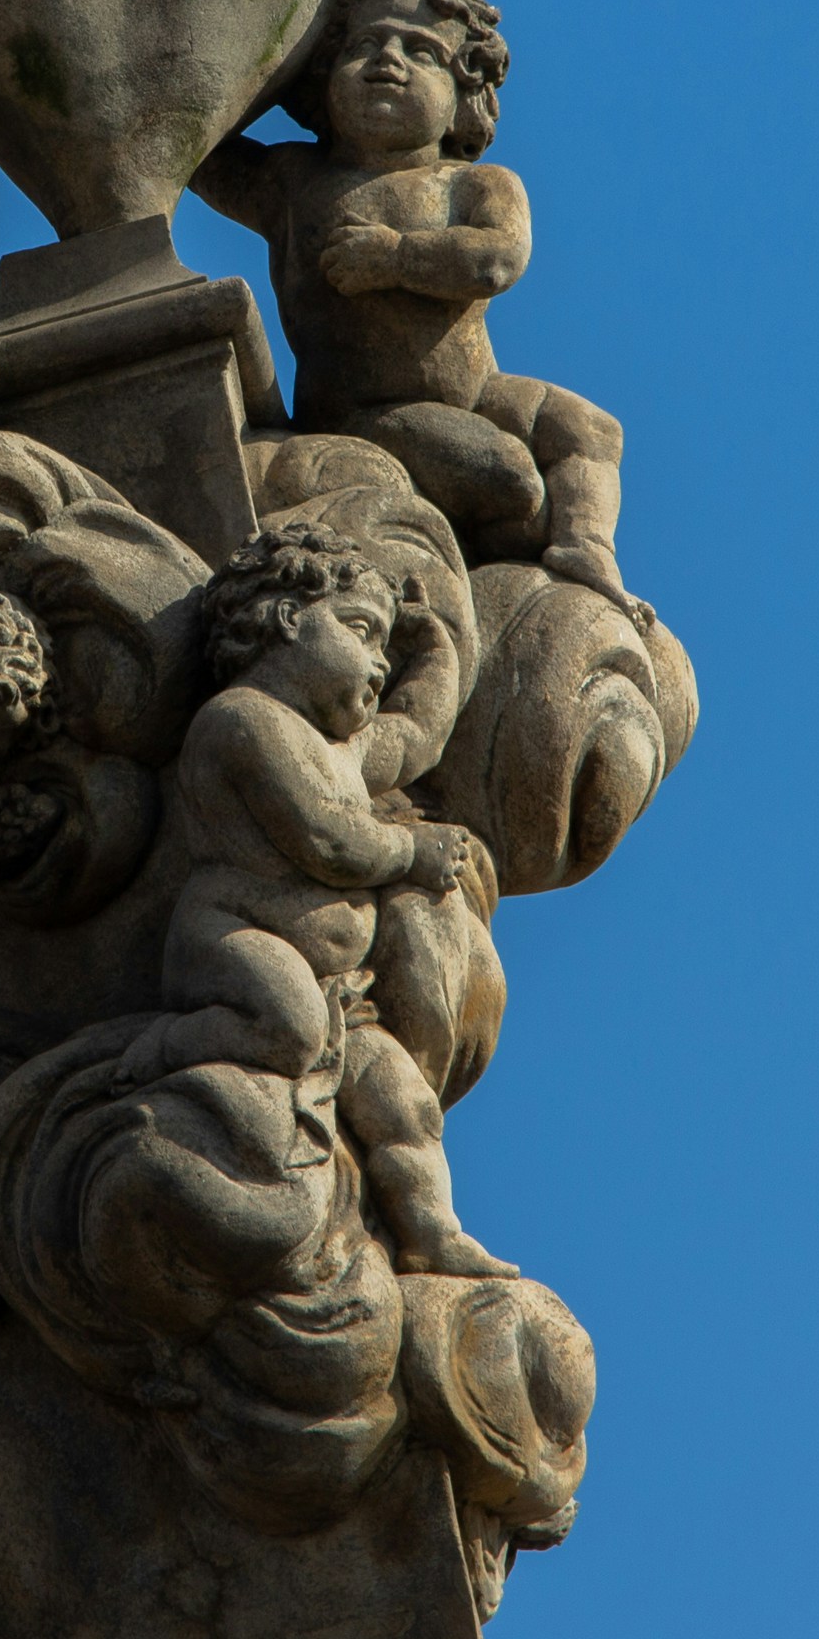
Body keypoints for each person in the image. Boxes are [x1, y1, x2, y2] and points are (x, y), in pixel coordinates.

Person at [117, 523, 512, 1280]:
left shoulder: (347, 748)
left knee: (404, 1102)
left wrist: (435, 650)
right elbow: (327, 840)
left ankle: (429, 1231)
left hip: (342, 987)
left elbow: (419, 733)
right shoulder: (242, 721)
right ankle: (159, 1048)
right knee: (289, 1027)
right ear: (288, 616)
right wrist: (413, 851)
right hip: (234, 936)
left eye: (383, 652)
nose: (375, 663)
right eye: (360, 631)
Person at [194, 0, 633, 604]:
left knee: (592, 428)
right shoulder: (292, 181)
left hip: (477, 387)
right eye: (364, 44)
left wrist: (397, 257)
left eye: (422, 52)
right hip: (364, 411)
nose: (388, 59)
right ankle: (474, 569)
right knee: (510, 479)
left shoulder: (479, 184)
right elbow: (202, 147)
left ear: (464, 100)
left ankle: (586, 546)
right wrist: (268, 53)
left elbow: (496, 259)